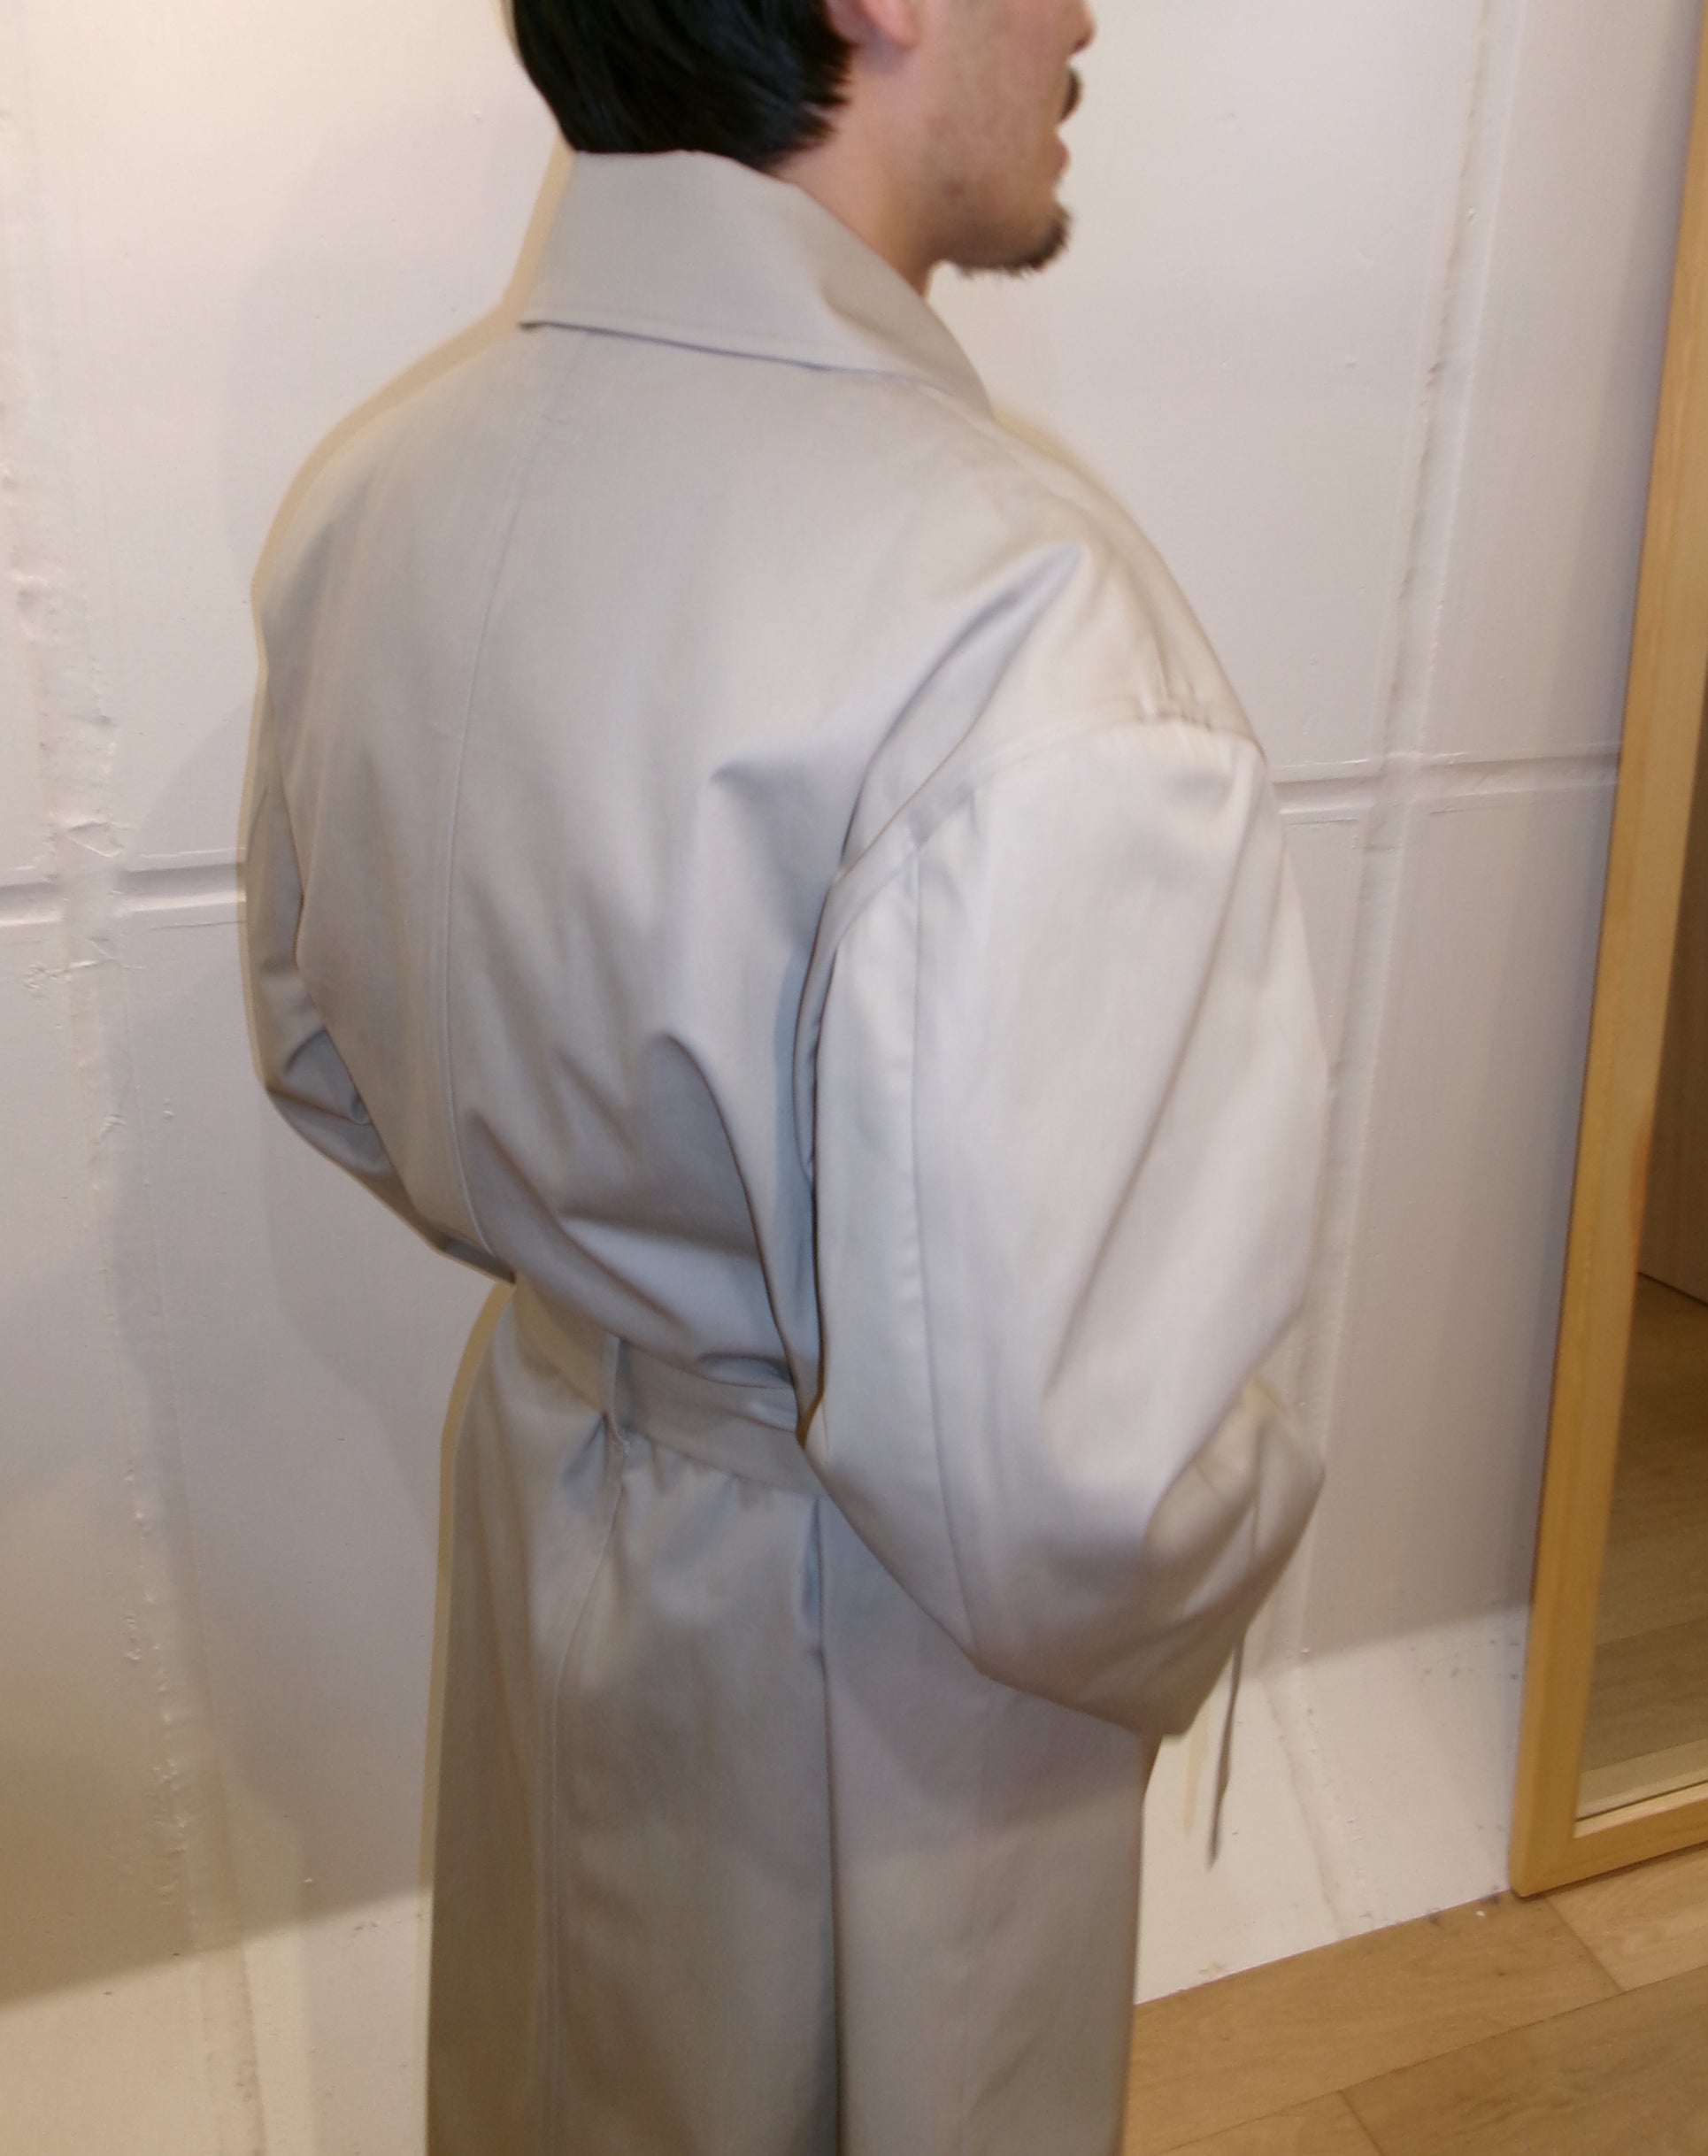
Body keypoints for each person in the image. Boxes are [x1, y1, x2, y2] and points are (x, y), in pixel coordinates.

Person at [242, 0, 1329, 2148]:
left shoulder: (378, 495)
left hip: (550, 1483)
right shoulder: (1017, 617)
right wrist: (1239, 1524)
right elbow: (1072, 1500)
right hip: (882, 1676)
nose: (1084, 14)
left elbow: (320, 1057)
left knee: (559, 2081)